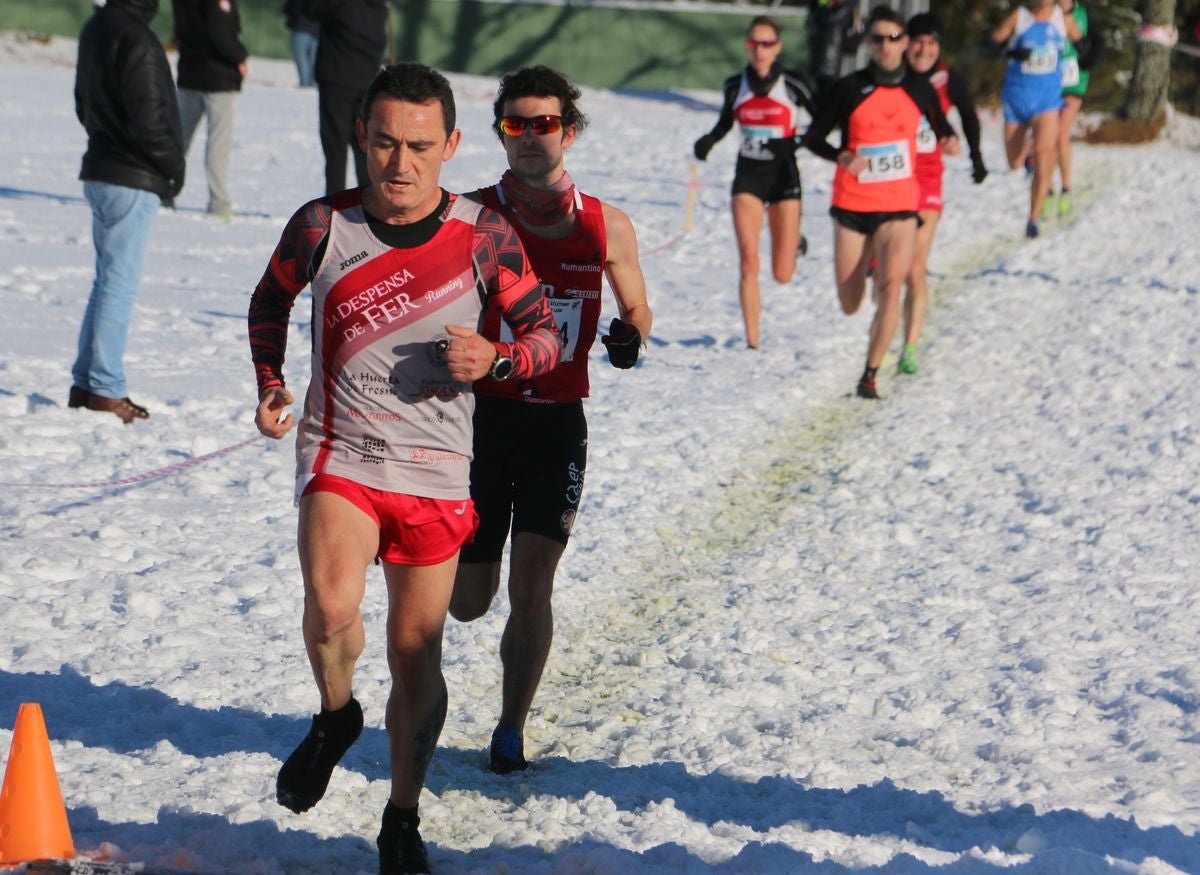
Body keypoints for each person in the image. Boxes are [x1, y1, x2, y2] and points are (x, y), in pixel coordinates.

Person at [249, 63, 563, 874]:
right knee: (328, 603)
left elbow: (544, 340)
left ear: (452, 145)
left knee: (414, 652)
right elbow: (268, 301)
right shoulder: (323, 224)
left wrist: (495, 358)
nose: (400, 163)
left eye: (421, 146)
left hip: (436, 469)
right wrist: (273, 384)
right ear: (361, 136)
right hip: (341, 452)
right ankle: (335, 713)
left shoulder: (484, 238)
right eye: (385, 141)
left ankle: (401, 816)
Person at [448, 66, 653, 775]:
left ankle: (511, 727)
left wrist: (629, 335)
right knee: (470, 602)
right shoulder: (468, 216)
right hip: (478, 424)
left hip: (555, 424)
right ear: (500, 130)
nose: (530, 137)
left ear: (569, 131)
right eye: (516, 124)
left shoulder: (605, 223)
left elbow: (638, 306)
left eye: (544, 124)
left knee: (533, 584)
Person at [801, 5, 959, 400]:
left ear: (904, 43)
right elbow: (813, 137)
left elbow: (942, 126)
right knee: (850, 303)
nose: (886, 46)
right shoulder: (849, 88)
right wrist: (843, 156)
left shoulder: (919, 88)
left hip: (900, 204)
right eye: (878, 39)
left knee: (892, 289)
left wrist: (951, 139)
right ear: (868, 43)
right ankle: (867, 265)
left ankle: (869, 374)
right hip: (853, 204)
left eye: (893, 38)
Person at [70, 0, 185, 424]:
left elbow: (83, 104)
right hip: (129, 175)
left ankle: (86, 382)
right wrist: (173, 168)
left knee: (106, 283)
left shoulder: (96, 27)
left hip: (103, 166)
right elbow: (151, 119)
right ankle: (104, 387)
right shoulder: (136, 36)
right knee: (118, 285)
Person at [693, 15, 817, 350]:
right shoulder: (736, 85)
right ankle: (752, 343)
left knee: (782, 273)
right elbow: (724, 124)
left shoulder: (793, 84)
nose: (760, 50)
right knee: (749, 259)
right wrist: (707, 141)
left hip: (784, 178)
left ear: (777, 48)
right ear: (747, 46)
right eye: (753, 43)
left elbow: (822, 124)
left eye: (767, 43)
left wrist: (793, 143)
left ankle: (794, 243)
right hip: (748, 178)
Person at [897, 12, 987, 377]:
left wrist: (976, 157)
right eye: (918, 42)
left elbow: (968, 116)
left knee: (915, 268)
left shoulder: (948, 79)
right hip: (886, 180)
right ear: (906, 43)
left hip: (927, 179)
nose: (924, 50)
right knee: (892, 268)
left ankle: (910, 346)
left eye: (932, 43)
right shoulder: (890, 75)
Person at [991, 0, 1081, 238]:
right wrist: (1010, 51)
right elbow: (993, 43)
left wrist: (1081, 61)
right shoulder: (1019, 17)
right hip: (1016, 99)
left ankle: (1033, 218)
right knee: (1014, 163)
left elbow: (1086, 45)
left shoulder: (1062, 19)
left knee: (1045, 157)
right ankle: (1029, 147)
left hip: (1047, 101)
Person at [172, 0, 248, 221]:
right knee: (218, 144)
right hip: (218, 79)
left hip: (189, 73)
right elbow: (218, 33)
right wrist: (240, 56)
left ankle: (165, 190)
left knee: (178, 140)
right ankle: (219, 203)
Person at [303, 0, 388, 196]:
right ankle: (368, 199)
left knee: (335, 147)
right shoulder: (378, 6)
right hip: (366, 79)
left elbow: (311, 9)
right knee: (364, 145)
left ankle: (335, 203)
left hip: (337, 77)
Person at [1049, 0, 1102, 218]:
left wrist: (1086, 59)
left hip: (1074, 83)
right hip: (1048, 83)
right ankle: (1046, 187)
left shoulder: (1085, 13)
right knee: (1046, 136)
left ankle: (1065, 189)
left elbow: (1097, 45)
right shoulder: (1046, 12)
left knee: (1061, 135)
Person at [806, 0, 863, 105]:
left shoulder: (846, 10)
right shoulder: (821, 11)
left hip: (835, 67)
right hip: (826, 66)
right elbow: (830, 17)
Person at [283, 0, 320, 88]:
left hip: (300, 28)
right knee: (314, 59)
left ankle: (305, 84)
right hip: (317, 30)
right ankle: (312, 84)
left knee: (301, 59)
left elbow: (287, 8)